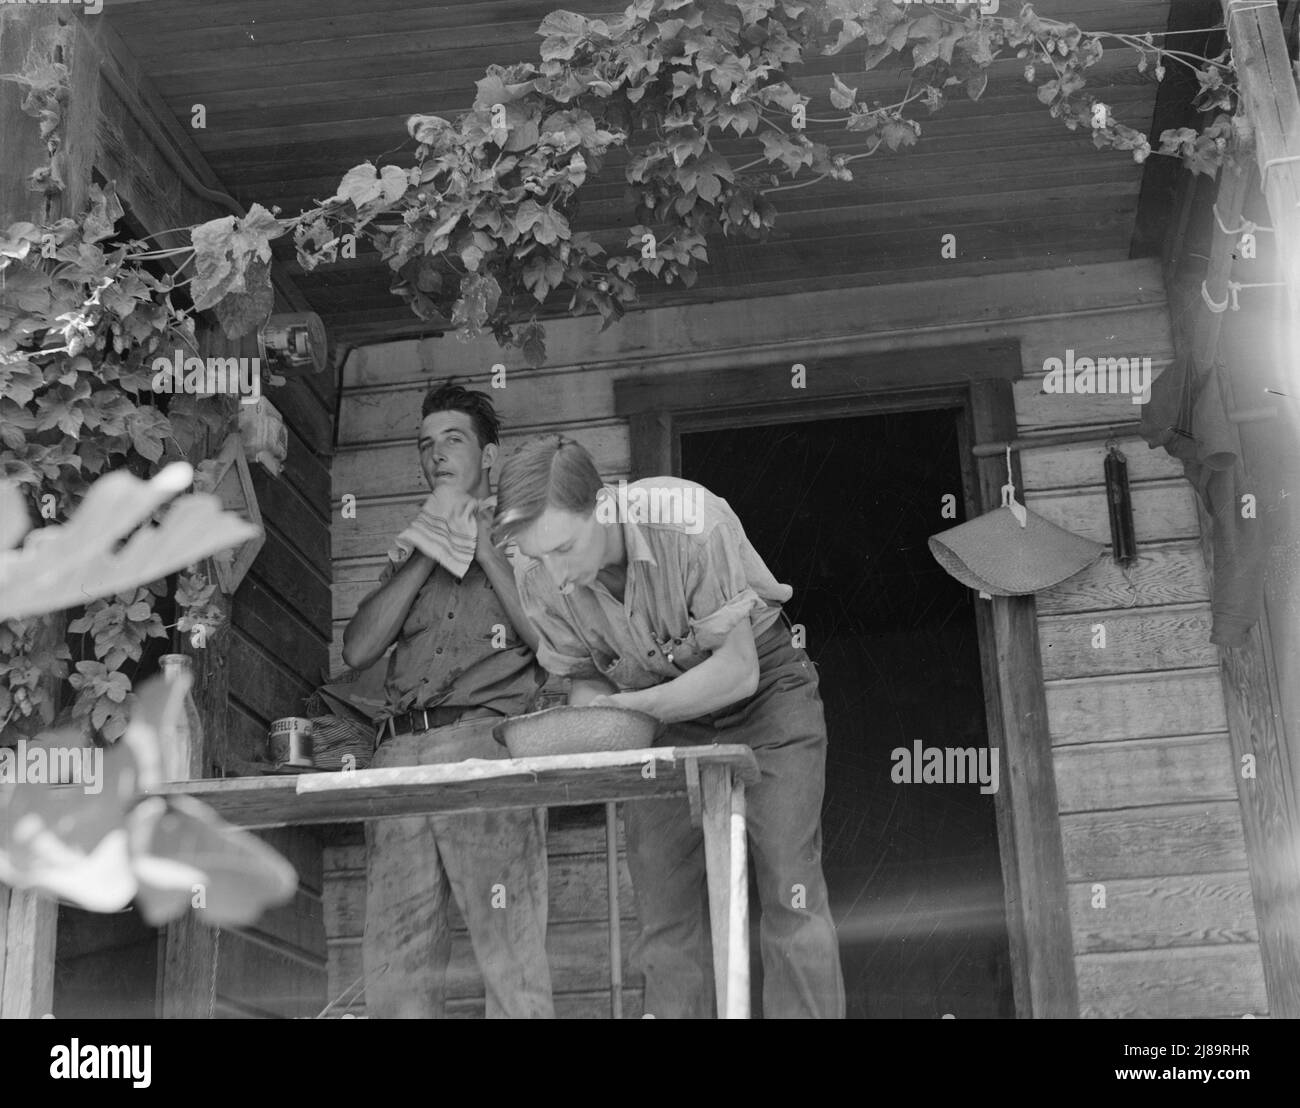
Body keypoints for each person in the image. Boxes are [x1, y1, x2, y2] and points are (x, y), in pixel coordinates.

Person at [493, 435, 845, 1019]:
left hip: (764, 699)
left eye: (563, 548)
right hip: (654, 715)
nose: (553, 576)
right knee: (663, 907)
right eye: (538, 557)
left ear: (604, 505)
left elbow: (738, 672)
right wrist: (591, 721)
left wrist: (628, 714)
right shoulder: (538, 576)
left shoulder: (690, 521)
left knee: (790, 887)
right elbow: (587, 678)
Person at [342, 384, 553, 1019]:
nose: (436, 455)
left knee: (510, 962)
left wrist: (484, 548)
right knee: (396, 974)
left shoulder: (529, 538)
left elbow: (555, 647)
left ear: (489, 455)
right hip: (399, 755)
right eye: (425, 446)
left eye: (453, 440)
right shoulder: (407, 548)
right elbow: (358, 651)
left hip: (484, 750)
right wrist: (424, 555)